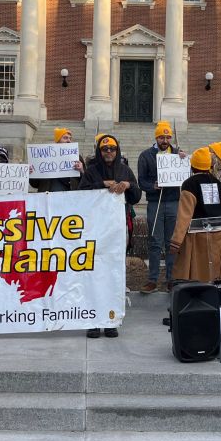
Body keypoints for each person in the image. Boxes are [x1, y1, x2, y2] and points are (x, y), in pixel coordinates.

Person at [80, 134, 142, 338]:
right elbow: (81, 194)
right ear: (99, 151)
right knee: (93, 273)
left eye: (112, 149)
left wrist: (128, 185)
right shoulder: (91, 172)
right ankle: (93, 321)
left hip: (116, 232)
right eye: (105, 149)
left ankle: (111, 320)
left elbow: (137, 195)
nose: (109, 152)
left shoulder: (125, 171)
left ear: (117, 151)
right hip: (95, 230)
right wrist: (103, 184)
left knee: (114, 274)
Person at [169, 147, 221, 283]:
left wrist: (176, 241)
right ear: (209, 166)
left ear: (192, 166)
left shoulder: (189, 184)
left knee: (199, 277)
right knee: (217, 277)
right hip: (219, 236)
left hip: (197, 239)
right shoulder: (217, 183)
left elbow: (184, 216)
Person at [138, 122, 184, 294]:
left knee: (171, 243)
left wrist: (185, 160)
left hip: (173, 201)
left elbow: (187, 174)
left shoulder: (178, 154)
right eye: (161, 137)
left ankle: (171, 279)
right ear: (156, 137)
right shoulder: (146, 156)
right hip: (155, 202)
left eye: (167, 137)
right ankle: (152, 279)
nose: (165, 140)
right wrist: (152, 186)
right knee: (155, 242)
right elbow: (141, 181)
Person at [31, 128, 84, 193]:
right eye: (65, 138)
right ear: (58, 140)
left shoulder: (77, 158)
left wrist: (81, 171)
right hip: (47, 199)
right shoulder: (44, 158)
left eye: (70, 138)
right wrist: (32, 173)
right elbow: (35, 184)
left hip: (70, 199)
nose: (69, 141)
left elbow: (85, 182)